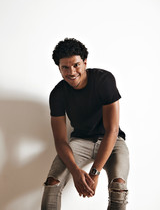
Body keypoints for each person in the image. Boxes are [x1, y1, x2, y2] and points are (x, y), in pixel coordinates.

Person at [41, 38, 129, 210]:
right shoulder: (57, 94)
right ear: (59, 68)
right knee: (52, 182)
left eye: (76, 65)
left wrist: (94, 173)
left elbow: (112, 129)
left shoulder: (104, 80)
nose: (71, 72)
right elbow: (60, 141)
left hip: (112, 141)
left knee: (119, 185)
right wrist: (75, 171)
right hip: (81, 141)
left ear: (85, 62)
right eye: (64, 67)